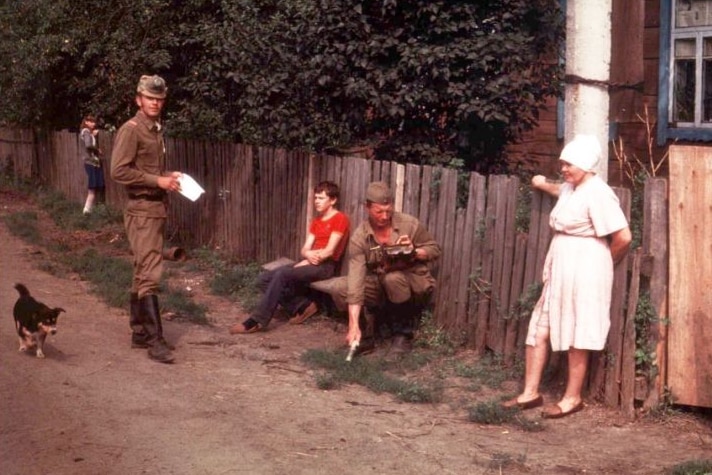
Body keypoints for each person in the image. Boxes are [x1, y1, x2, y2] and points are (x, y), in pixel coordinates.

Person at [502, 134, 632, 418]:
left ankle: (572, 398)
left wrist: (603, 264)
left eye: (568, 164)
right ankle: (530, 393)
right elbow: (558, 188)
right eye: (562, 163)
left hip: (586, 267)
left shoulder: (598, 193)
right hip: (561, 265)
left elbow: (623, 236)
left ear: (585, 165)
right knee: (540, 326)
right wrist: (540, 183)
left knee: (578, 331)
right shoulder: (571, 188)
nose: (563, 169)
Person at [110, 75, 184, 364]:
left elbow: (148, 168)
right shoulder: (131, 130)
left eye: (159, 98)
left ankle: (139, 332)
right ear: (138, 99)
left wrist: (168, 178)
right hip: (141, 209)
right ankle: (155, 340)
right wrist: (157, 180)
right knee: (151, 274)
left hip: (154, 208)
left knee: (142, 268)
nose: (154, 102)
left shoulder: (155, 129)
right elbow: (118, 171)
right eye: (149, 98)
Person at [229, 181, 350, 334]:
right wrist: (307, 256)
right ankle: (303, 305)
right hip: (310, 262)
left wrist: (310, 259)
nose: (316, 202)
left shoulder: (340, 219)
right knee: (264, 279)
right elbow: (305, 248)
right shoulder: (317, 221)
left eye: (321, 198)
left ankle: (257, 320)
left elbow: (329, 251)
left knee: (282, 274)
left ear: (333, 200)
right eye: (315, 198)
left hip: (325, 266)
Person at [341, 181, 441, 357]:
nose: (385, 216)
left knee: (393, 279)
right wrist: (353, 324)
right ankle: (364, 336)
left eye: (388, 211)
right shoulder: (360, 237)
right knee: (345, 287)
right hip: (380, 282)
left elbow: (434, 249)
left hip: (412, 281)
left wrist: (414, 252)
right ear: (367, 207)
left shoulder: (409, 224)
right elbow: (356, 281)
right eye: (379, 211)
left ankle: (403, 335)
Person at [79, 114, 105, 214]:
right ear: (86, 122)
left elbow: (89, 141)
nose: (93, 124)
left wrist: (92, 135)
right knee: (92, 187)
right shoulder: (85, 131)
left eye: (94, 122)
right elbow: (88, 145)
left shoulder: (88, 133)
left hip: (94, 162)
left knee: (98, 185)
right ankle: (86, 211)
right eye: (91, 121)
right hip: (90, 161)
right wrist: (98, 150)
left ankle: (92, 210)